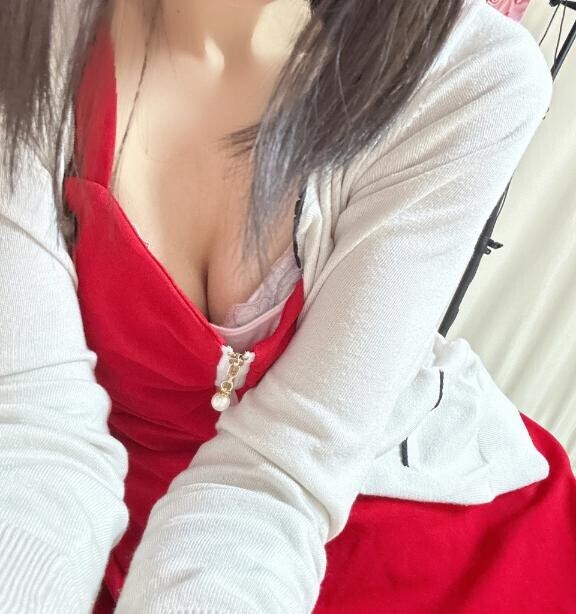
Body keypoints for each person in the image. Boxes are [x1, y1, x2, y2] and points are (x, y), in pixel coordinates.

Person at [1, 0, 574, 612]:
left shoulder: (468, 75)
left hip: (358, 508)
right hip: (79, 490)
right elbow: (29, 419)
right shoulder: (35, 29)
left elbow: (282, 476)